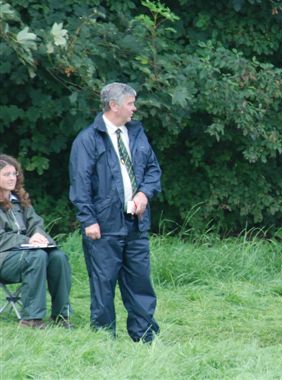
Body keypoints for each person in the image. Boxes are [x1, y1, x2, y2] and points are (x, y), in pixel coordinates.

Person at [69, 82, 162, 342]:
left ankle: (145, 339)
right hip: (103, 225)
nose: (135, 108)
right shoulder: (87, 140)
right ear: (114, 105)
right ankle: (103, 341)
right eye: (131, 103)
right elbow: (80, 183)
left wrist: (144, 193)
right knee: (103, 286)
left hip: (136, 223)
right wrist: (88, 220)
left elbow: (153, 170)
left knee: (140, 283)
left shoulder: (137, 133)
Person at [0, 154, 73, 329]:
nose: (12, 178)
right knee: (36, 256)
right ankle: (32, 319)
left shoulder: (20, 201)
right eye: (6, 174)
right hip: (3, 259)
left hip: (25, 253)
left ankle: (61, 316)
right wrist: (28, 240)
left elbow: (37, 225)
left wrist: (40, 237)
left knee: (58, 257)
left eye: (14, 174)